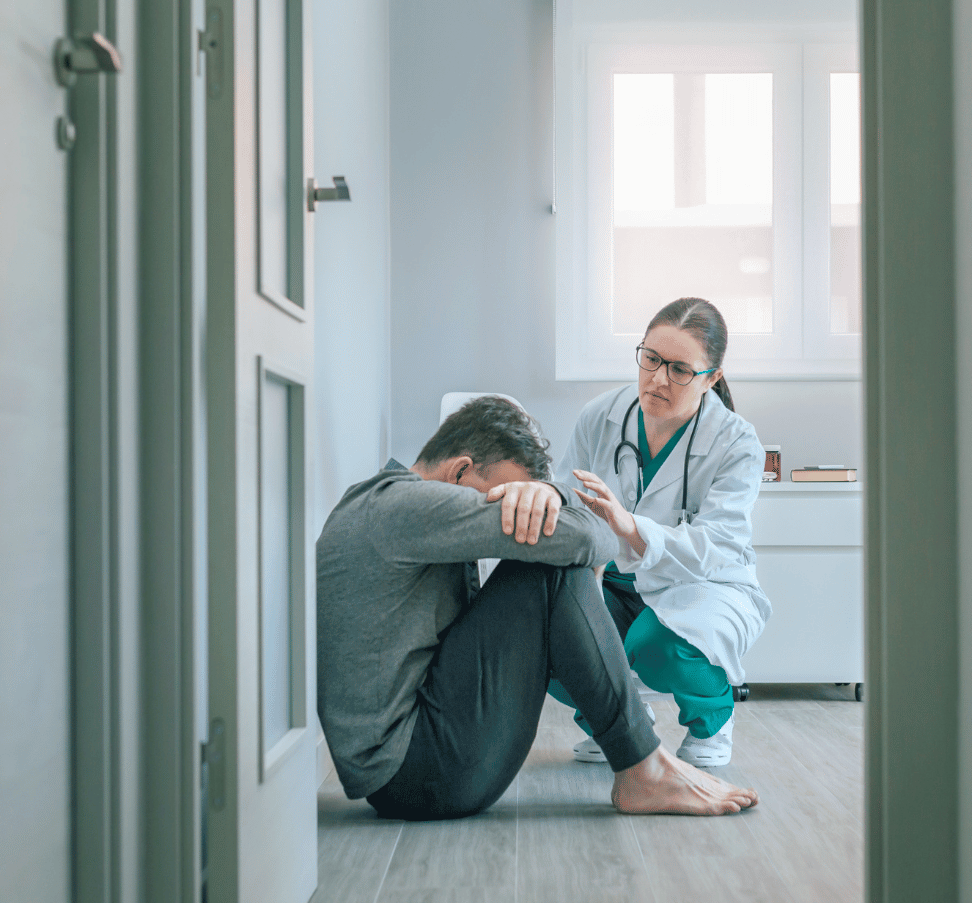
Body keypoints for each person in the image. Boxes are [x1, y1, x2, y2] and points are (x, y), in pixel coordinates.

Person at [315, 395, 759, 821]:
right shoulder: (407, 507)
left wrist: (551, 496)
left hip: (415, 765)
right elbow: (592, 537)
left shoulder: (382, 502)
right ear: (460, 472)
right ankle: (643, 766)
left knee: (549, 560)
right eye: (508, 497)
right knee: (549, 569)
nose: (516, 510)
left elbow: (600, 539)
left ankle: (639, 755)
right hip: (418, 772)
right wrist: (556, 497)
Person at [554, 297, 771, 768]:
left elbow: (718, 545)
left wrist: (631, 526)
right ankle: (618, 721)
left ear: (711, 376)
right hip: (610, 579)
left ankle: (711, 722)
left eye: (679, 369)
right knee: (549, 634)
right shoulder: (602, 414)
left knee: (656, 647)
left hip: (702, 585)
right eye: (651, 359)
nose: (657, 379)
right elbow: (566, 498)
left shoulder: (736, 442)